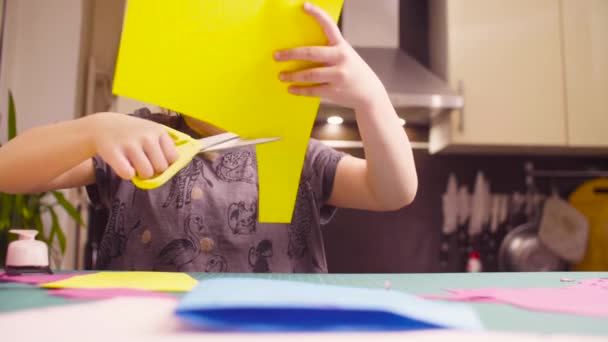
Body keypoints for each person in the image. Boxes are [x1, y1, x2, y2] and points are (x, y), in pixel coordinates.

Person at [0, 2, 417, 273]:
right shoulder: (140, 140)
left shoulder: (297, 156)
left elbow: (393, 191)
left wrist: (371, 97)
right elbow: (6, 171)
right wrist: (94, 129)